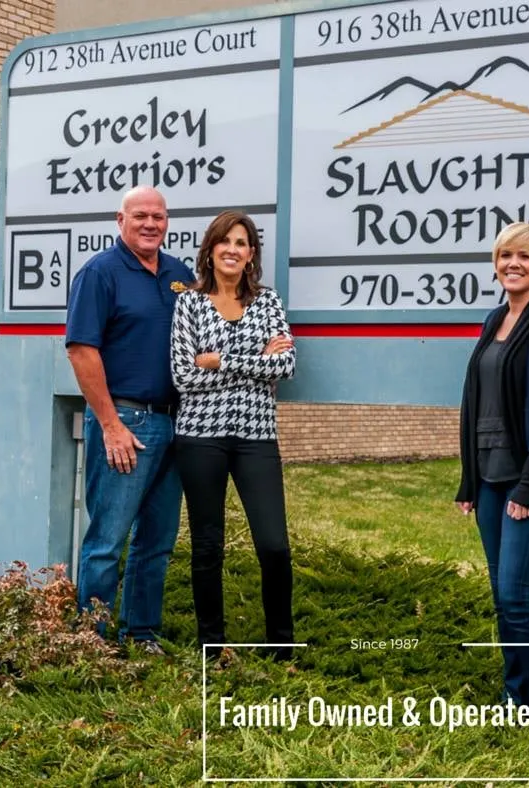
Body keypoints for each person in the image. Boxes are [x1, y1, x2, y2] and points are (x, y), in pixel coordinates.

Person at [455, 222, 529, 738]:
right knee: (499, 593)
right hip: (488, 477)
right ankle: (515, 696)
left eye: (524, 257)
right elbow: (474, 400)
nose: (513, 264)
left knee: (516, 596)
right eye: (505, 255)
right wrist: (467, 479)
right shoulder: (493, 318)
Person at [66, 186, 194, 653]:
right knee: (108, 539)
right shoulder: (100, 273)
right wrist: (110, 425)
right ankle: (90, 642)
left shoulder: (180, 274)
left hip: (177, 423)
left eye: (158, 216)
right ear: (119, 219)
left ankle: (141, 634)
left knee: (156, 540)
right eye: (140, 215)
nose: (150, 223)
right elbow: (81, 350)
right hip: (127, 423)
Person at [171, 210, 296, 662]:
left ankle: (282, 646)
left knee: (274, 545)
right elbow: (183, 375)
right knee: (207, 545)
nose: (232, 249)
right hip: (199, 438)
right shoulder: (189, 302)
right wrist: (253, 359)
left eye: (241, 242)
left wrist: (219, 360)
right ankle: (213, 646)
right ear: (210, 250)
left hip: (256, 438)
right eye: (224, 241)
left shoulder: (268, 302)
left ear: (251, 254)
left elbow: (285, 365)